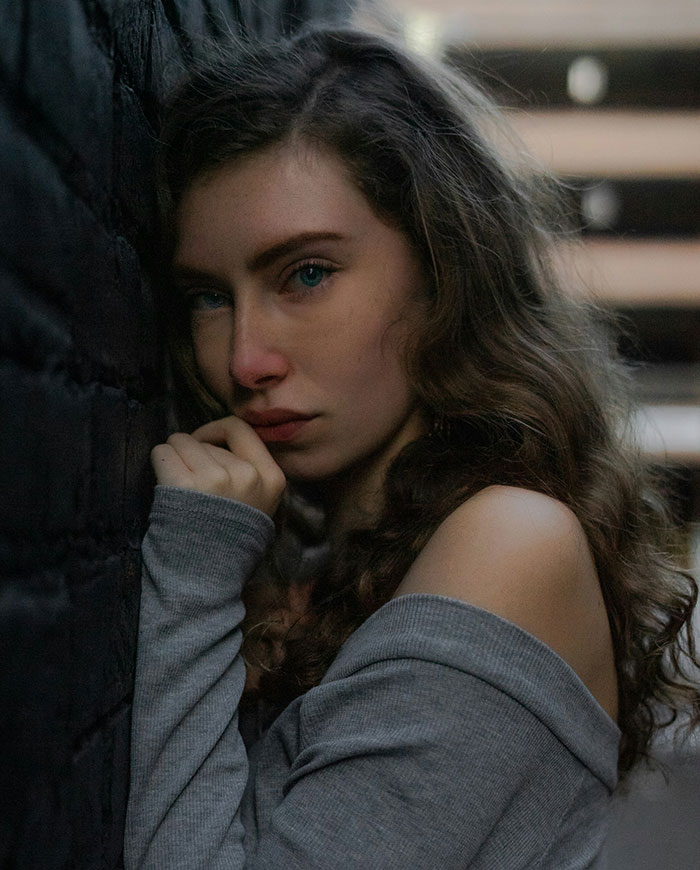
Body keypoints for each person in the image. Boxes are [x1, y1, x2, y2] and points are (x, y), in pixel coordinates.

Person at [124, 25, 700, 869]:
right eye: (210, 297)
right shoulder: (347, 564)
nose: (246, 359)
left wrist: (198, 571)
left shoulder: (510, 544)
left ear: (442, 273)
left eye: (306, 274)